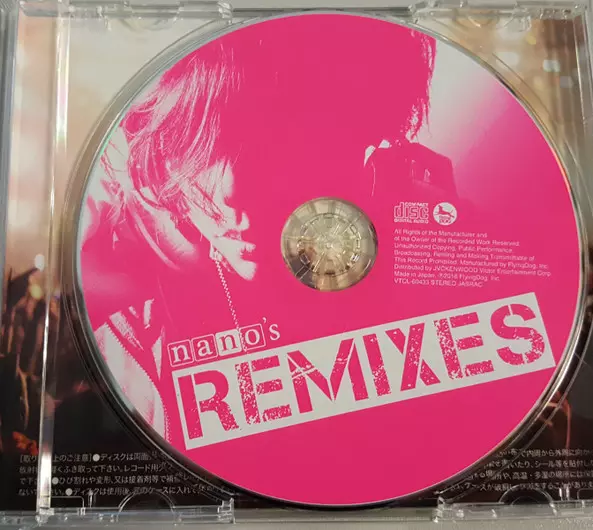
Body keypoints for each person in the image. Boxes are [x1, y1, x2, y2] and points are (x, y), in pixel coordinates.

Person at [79, 15, 458, 441]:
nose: (231, 193)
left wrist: (434, 272)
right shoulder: (128, 329)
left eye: (272, 142)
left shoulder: (426, 247)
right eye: (200, 143)